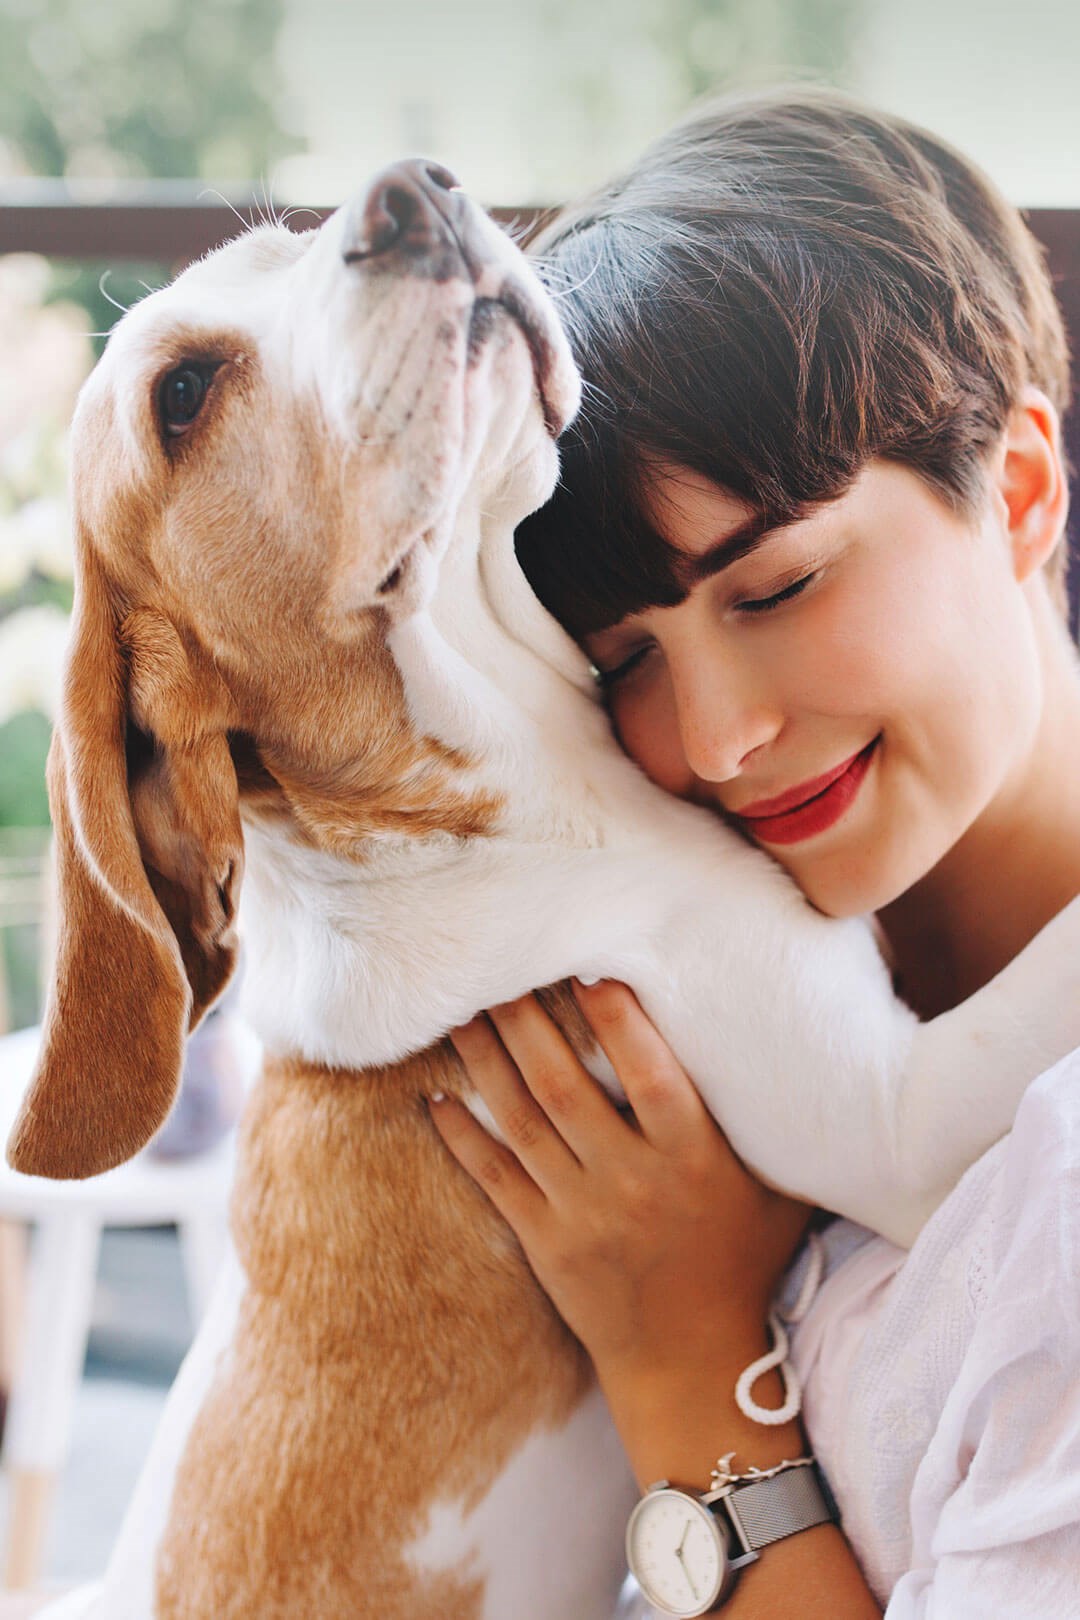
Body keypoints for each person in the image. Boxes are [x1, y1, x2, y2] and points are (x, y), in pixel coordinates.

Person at [427, 87, 1080, 1616]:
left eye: (774, 588)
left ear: (1023, 491)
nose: (712, 738)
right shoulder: (677, 995)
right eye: (626, 661)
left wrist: (684, 1357)